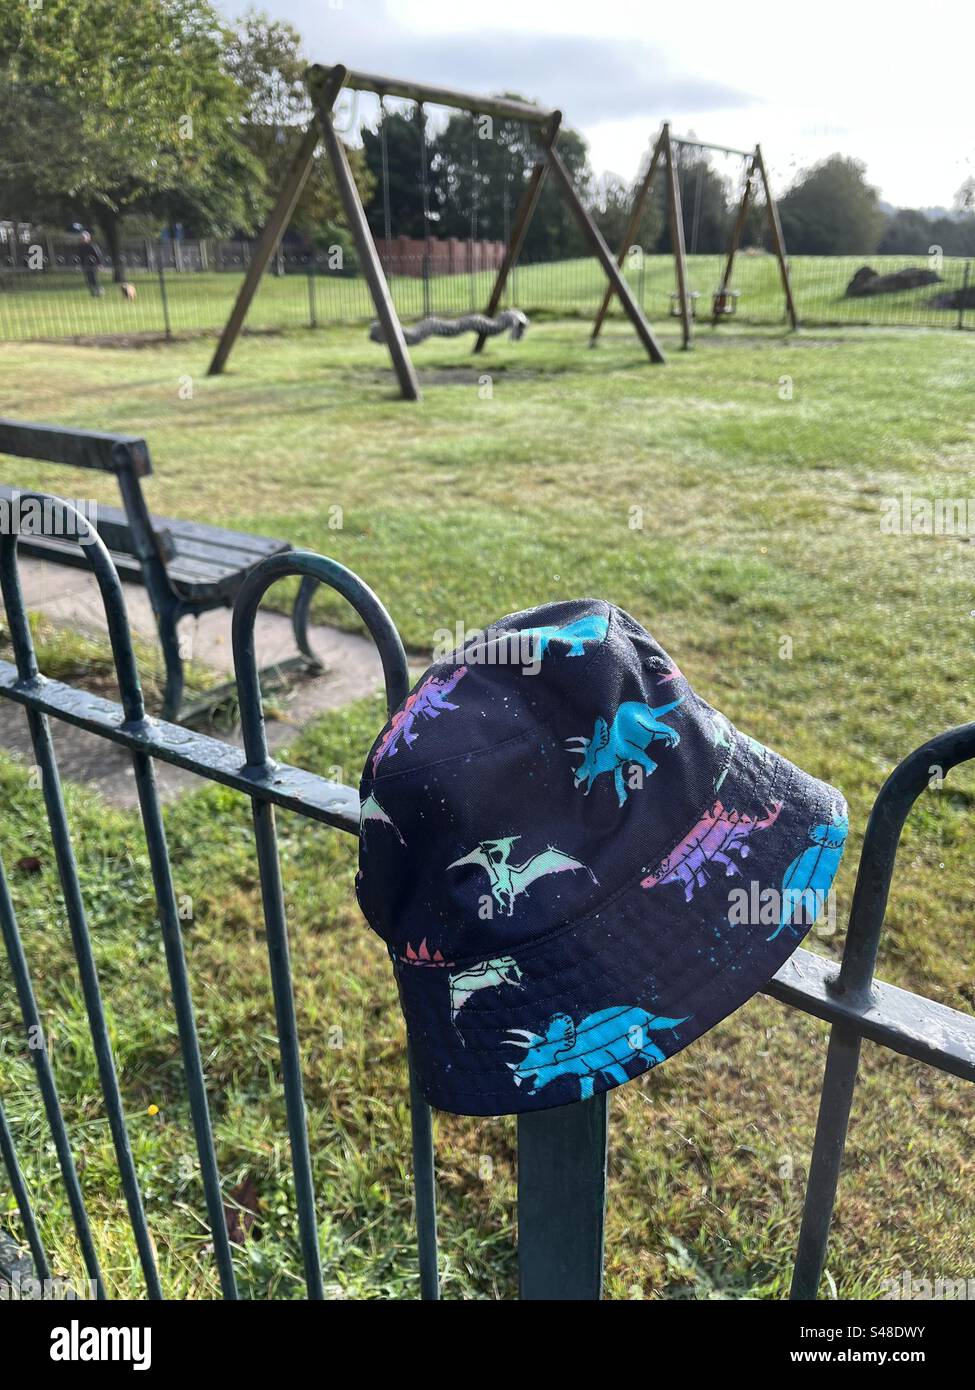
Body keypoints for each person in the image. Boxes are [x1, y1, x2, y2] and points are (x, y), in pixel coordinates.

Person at [78, 231, 103, 297]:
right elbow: (80, 256)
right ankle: (92, 293)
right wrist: (80, 265)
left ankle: (99, 292)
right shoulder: (81, 246)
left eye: (84, 238)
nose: (82, 239)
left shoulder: (93, 246)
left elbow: (98, 255)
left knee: (94, 279)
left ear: (88, 238)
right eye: (82, 238)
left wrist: (99, 265)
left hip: (93, 265)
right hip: (85, 265)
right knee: (88, 280)